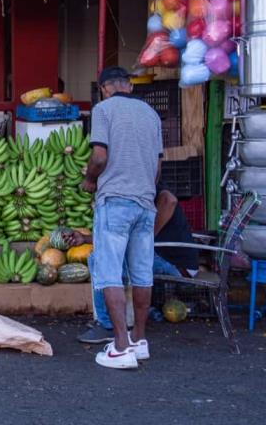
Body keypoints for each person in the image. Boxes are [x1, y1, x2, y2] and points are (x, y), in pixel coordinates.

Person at [79, 66, 162, 370]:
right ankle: (139, 340)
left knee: (109, 273)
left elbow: (99, 156)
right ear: (129, 85)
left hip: (115, 201)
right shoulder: (151, 115)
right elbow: (156, 168)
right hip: (145, 202)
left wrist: (90, 180)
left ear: (104, 88)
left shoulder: (103, 110)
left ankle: (120, 346)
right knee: (142, 274)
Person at [75, 182, 199, 343]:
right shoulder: (137, 195)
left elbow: (170, 200)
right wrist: (84, 239)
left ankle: (106, 325)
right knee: (105, 254)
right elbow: (118, 236)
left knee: (99, 257)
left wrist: (147, 237)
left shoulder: (148, 187)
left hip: (176, 264)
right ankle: (123, 324)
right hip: (164, 256)